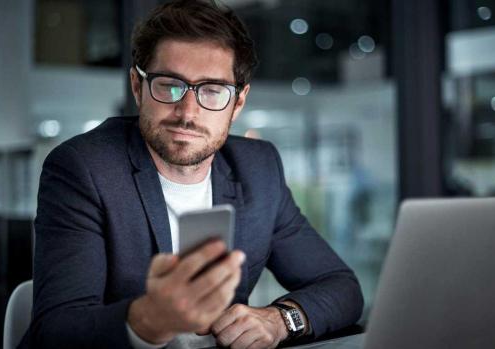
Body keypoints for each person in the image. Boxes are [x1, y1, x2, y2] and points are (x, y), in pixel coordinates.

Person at [21, 0, 363, 348]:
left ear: (238, 102)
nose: (187, 112)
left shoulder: (258, 169)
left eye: (212, 91)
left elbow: (340, 287)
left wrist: (280, 320)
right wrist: (152, 319)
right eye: (169, 85)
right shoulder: (84, 168)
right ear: (138, 88)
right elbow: (56, 331)